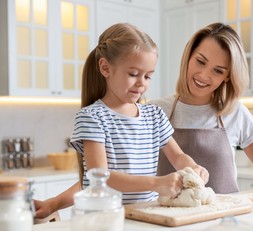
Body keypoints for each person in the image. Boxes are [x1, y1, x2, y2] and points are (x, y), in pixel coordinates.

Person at [34, 23, 209, 219]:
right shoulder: (93, 118)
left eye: (148, 76)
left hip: (146, 217)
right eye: (133, 74)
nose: (142, 83)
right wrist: (157, 183)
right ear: (105, 68)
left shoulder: (154, 116)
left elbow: (178, 157)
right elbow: (99, 176)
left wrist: (193, 167)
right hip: (105, 220)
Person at [151, 22, 253, 203]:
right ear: (188, 56)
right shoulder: (157, 111)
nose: (204, 75)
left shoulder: (235, 113)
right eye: (200, 61)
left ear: (227, 76)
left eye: (218, 71)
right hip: (168, 221)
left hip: (224, 221)